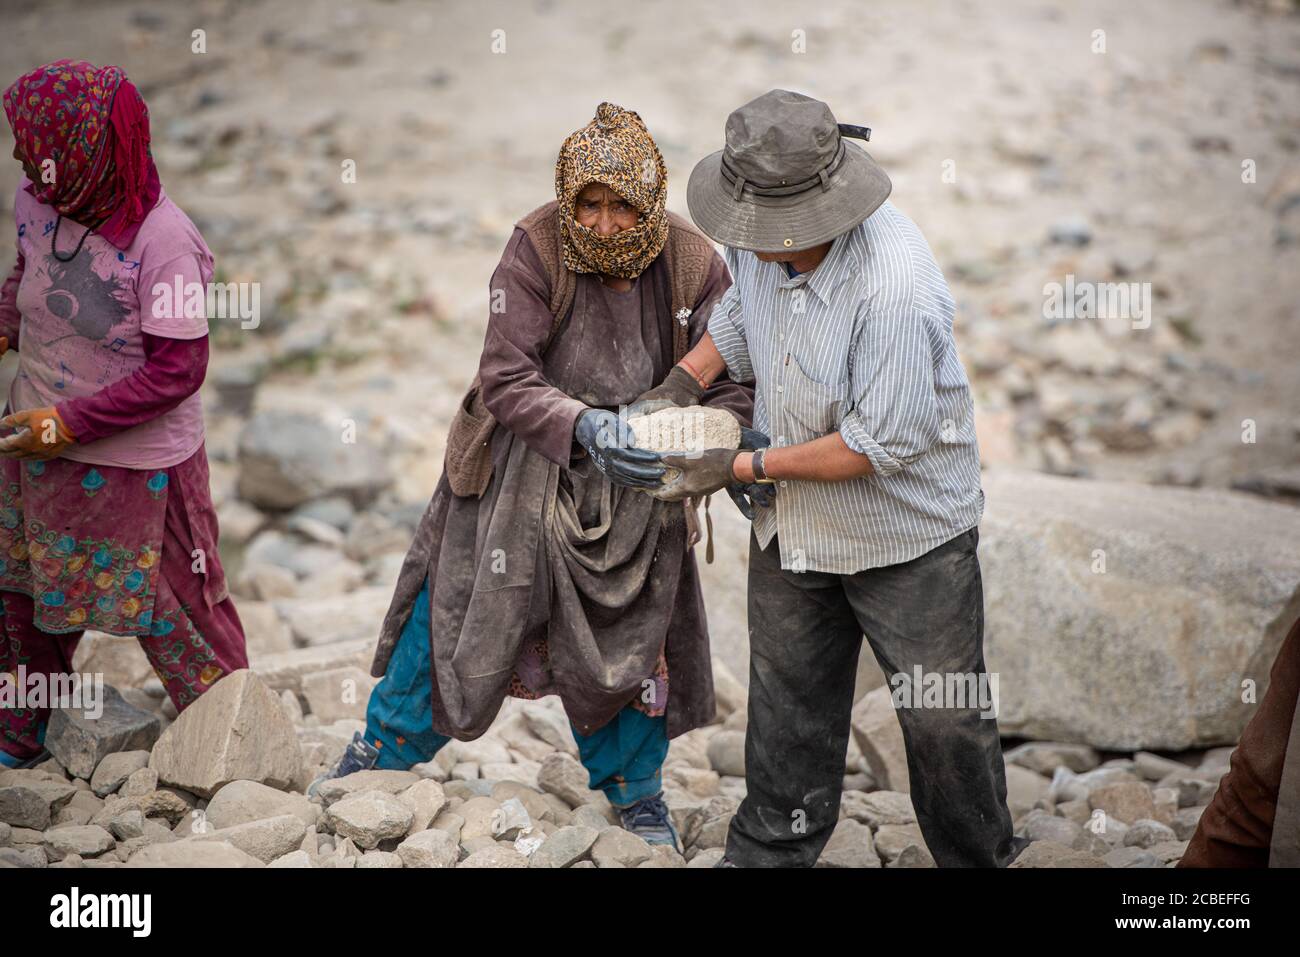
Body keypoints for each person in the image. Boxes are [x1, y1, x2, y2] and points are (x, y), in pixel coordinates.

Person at [310, 103, 759, 849]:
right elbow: (504, 375)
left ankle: (636, 793)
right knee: (462, 604)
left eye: (623, 206)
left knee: (633, 630)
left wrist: (706, 441)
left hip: (642, 480)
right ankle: (383, 750)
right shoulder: (535, 248)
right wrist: (584, 425)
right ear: (567, 196)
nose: (606, 223)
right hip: (524, 461)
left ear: (650, 202)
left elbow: (732, 376)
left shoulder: (691, 262)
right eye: (590, 203)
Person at [629, 89, 1026, 866]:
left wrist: (736, 465)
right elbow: (745, 313)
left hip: (908, 537)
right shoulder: (757, 232)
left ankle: (978, 854)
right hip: (795, 524)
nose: (749, 239)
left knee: (943, 718)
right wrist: (684, 378)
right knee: (787, 711)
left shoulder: (895, 289)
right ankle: (770, 853)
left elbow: (880, 443)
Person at [0, 60, 248, 768]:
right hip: (35, 443)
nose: (19, 155)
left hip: (141, 468)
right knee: (26, 589)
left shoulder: (165, 244)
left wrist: (69, 423)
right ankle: (24, 731)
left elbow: (181, 369)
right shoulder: (39, 199)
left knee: (180, 608)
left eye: (31, 142)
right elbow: (28, 275)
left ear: (80, 151)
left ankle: (237, 744)